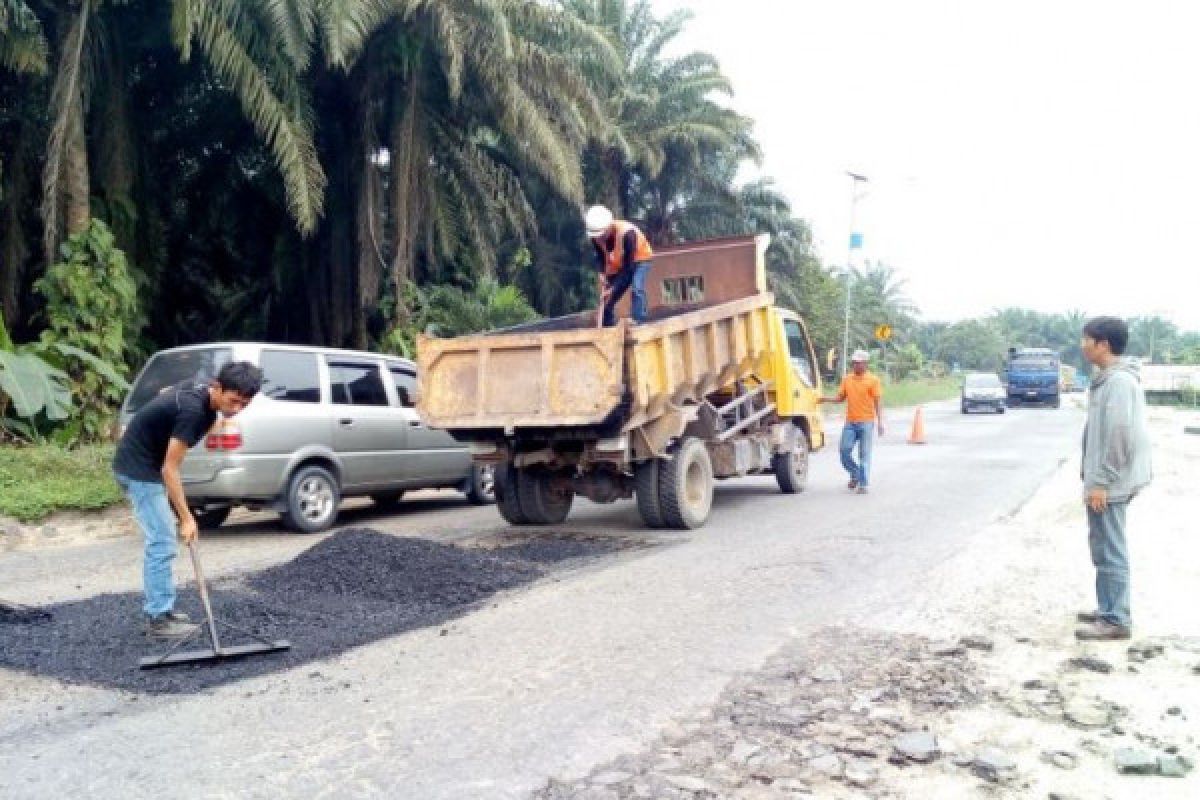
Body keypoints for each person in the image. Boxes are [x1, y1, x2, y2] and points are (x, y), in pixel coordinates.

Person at [112, 361, 262, 638]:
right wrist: (187, 517)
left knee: (163, 536)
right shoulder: (193, 412)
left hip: (147, 463)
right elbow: (170, 468)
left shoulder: (201, 392)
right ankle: (159, 619)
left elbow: (166, 391)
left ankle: (163, 609)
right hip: (139, 469)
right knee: (162, 540)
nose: (237, 409)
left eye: (245, 404)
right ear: (217, 387)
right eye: (233, 400)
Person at [1075, 316, 1152, 641]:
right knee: (1102, 545)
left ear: (1103, 344)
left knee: (1110, 548)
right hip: (1108, 480)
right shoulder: (1108, 379)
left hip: (1112, 482)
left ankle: (1116, 620)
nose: (1082, 345)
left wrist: (1101, 482)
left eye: (1086, 339)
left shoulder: (1119, 383)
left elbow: (1120, 436)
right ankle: (1109, 607)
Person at [819, 349, 884, 494]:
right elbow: (840, 398)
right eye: (854, 363)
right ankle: (855, 473)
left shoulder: (873, 380)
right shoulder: (847, 379)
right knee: (844, 451)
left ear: (865, 364)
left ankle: (863, 484)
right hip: (850, 423)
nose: (855, 365)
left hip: (867, 422)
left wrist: (880, 422)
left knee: (864, 454)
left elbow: (878, 402)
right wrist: (825, 399)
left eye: (858, 363)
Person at [585, 205, 654, 327]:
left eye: (602, 235)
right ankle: (607, 323)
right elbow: (600, 256)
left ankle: (638, 321)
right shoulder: (596, 237)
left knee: (636, 287)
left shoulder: (627, 234)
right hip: (619, 262)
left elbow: (629, 268)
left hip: (640, 259)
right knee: (608, 295)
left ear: (609, 226)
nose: (599, 239)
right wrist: (601, 273)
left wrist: (614, 286)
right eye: (597, 236)